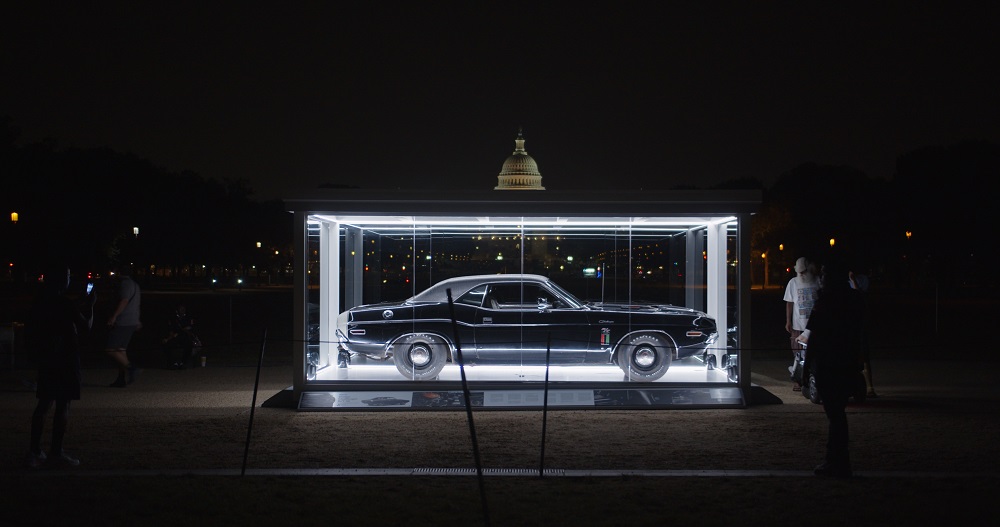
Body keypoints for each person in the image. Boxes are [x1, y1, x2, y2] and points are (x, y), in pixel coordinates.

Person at [25, 264, 95, 468]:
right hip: (66, 359)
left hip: (47, 358)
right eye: (67, 276)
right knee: (63, 404)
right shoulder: (64, 303)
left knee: (44, 404)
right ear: (59, 280)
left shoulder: (40, 302)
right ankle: (56, 452)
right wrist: (91, 306)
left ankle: (34, 450)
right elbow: (86, 326)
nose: (69, 279)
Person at [804, 260, 865, 478]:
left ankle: (836, 461)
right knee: (838, 413)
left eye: (824, 273)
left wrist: (807, 368)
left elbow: (815, 336)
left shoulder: (826, 301)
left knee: (835, 415)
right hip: (846, 361)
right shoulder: (853, 300)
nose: (821, 277)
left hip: (829, 362)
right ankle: (839, 459)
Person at [784, 257, 820, 391]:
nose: (802, 275)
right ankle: (799, 380)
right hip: (798, 325)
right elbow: (789, 302)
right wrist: (788, 320)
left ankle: (813, 377)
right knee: (798, 354)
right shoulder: (793, 283)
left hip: (815, 325)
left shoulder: (817, 281)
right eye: (800, 273)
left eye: (804, 272)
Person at [105, 265, 142, 387]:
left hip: (123, 321)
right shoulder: (135, 285)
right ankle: (121, 378)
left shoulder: (125, 284)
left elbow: (124, 300)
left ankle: (131, 368)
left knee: (110, 349)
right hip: (131, 321)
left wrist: (114, 316)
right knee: (121, 350)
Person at [850, 270, 878, 398]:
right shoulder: (841, 281)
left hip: (859, 324)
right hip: (848, 324)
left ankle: (870, 387)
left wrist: (853, 280)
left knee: (864, 356)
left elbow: (860, 296)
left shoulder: (863, 279)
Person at [162, 304, 199, 369]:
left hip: (185, 336)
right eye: (181, 309)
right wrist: (168, 338)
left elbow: (191, 328)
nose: (182, 310)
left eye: (184, 309)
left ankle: (183, 362)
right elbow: (171, 330)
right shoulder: (173, 318)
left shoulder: (189, 317)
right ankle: (172, 363)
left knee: (189, 344)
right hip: (175, 337)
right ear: (177, 310)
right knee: (168, 345)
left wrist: (184, 330)